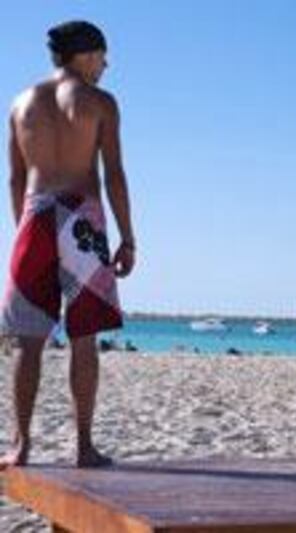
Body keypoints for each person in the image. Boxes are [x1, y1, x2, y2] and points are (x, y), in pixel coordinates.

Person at [0, 21, 135, 470]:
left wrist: (25, 230)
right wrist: (127, 236)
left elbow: (16, 179)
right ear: (85, 55)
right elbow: (113, 173)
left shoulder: (21, 104)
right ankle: (83, 447)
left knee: (29, 341)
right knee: (83, 338)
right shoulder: (99, 103)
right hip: (82, 216)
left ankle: (21, 446)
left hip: (35, 216)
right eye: (102, 56)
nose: (106, 65)